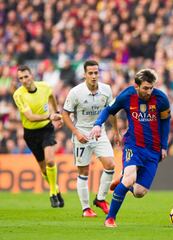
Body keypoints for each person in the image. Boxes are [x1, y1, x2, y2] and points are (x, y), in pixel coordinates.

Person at [89, 68, 171, 227]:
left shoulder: (161, 99)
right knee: (129, 179)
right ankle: (110, 219)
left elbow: (166, 121)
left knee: (140, 192)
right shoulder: (127, 95)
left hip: (153, 149)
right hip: (133, 145)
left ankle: (121, 180)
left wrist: (164, 146)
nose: (149, 91)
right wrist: (98, 124)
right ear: (137, 86)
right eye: (145, 88)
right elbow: (108, 109)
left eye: (151, 87)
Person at [62, 60, 119, 217]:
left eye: (96, 72)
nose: (94, 76)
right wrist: (76, 133)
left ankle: (100, 199)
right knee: (84, 171)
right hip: (82, 135)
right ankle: (86, 208)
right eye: (91, 73)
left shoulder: (106, 89)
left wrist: (116, 131)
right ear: (84, 74)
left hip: (99, 133)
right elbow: (65, 113)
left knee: (110, 164)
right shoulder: (75, 92)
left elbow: (112, 111)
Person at [13, 65, 64, 208]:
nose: (24, 80)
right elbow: (30, 117)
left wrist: (57, 111)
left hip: (46, 129)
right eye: (21, 78)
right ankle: (56, 188)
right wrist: (51, 115)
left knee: (50, 160)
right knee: (43, 169)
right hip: (30, 133)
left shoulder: (45, 87)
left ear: (32, 75)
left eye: (26, 76)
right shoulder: (18, 94)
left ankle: (53, 193)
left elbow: (52, 96)